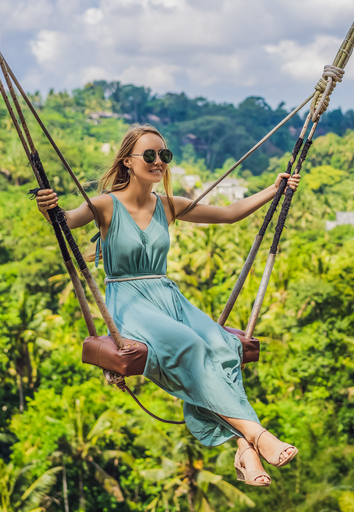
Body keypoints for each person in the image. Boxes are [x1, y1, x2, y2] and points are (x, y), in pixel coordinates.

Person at [36, 124, 300, 487]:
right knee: (190, 346)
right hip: (129, 300)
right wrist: (49, 209)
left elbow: (229, 213)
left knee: (223, 347)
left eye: (164, 155)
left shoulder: (167, 205)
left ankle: (243, 447)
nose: (158, 161)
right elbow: (65, 221)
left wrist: (275, 189)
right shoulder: (104, 205)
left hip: (168, 297)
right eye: (149, 155)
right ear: (128, 161)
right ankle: (256, 436)